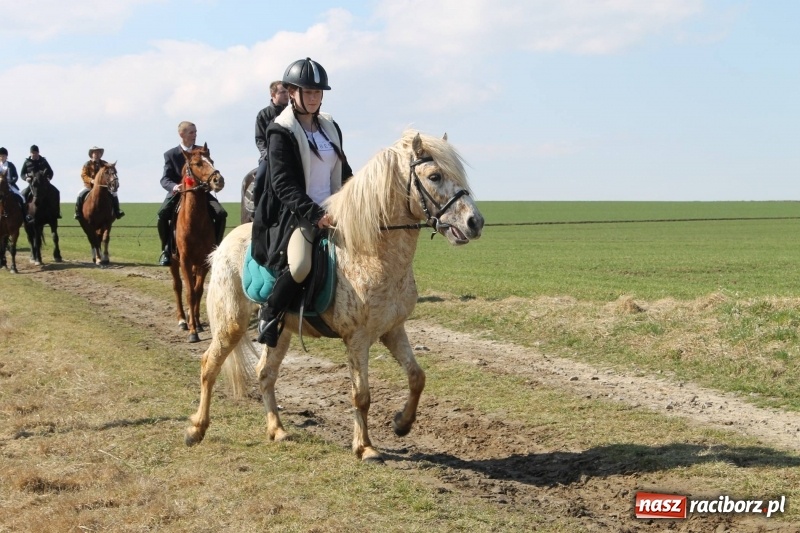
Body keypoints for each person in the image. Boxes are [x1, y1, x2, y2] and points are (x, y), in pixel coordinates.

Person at [251, 57, 353, 347]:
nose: (314, 98)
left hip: (335, 210)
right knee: (299, 266)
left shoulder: (330, 127)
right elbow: (282, 183)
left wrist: (358, 199)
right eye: (308, 92)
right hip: (298, 214)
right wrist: (315, 214)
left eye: (318, 92)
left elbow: (344, 171)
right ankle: (270, 313)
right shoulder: (280, 130)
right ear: (292, 93)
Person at [156, 121, 227, 266]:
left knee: (221, 213)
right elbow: (165, 179)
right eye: (191, 132)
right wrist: (175, 187)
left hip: (200, 193)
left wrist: (212, 183)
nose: (195, 135)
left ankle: (216, 249)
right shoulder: (170, 154)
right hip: (179, 193)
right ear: (181, 134)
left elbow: (208, 172)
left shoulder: (202, 151)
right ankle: (166, 249)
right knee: (162, 214)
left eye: (195, 132)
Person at [252, 80, 290, 207]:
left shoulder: (293, 114)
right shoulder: (263, 115)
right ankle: (257, 211)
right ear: (273, 94)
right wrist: (268, 155)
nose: (286, 95)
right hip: (269, 158)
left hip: (291, 155)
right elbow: (260, 140)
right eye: (282, 92)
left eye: (287, 92)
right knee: (259, 180)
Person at [75, 146, 124, 220]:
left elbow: (110, 172)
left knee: (114, 193)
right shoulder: (87, 164)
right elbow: (83, 175)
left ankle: (117, 211)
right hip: (89, 186)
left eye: (99, 153)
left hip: (103, 186)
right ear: (92, 154)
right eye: (95, 153)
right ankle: (77, 212)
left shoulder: (104, 163)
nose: (97, 155)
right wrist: (91, 180)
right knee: (80, 194)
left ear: (101, 155)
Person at [19, 145, 60, 220]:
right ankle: (24, 214)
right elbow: (22, 174)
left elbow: (50, 172)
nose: (34, 154)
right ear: (30, 153)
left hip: (44, 184)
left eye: (36, 152)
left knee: (56, 192)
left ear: (38, 153)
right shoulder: (27, 162)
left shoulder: (43, 161)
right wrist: (26, 178)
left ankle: (56, 212)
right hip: (33, 184)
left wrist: (49, 178)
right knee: (23, 195)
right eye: (33, 153)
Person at [0, 147, 26, 214]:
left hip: (10, 185)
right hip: (0, 185)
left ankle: (25, 216)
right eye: (0, 156)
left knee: (22, 198)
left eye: (3, 156)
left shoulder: (10, 165)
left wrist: (11, 182)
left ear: (6, 156)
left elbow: (16, 176)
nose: (2, 158)